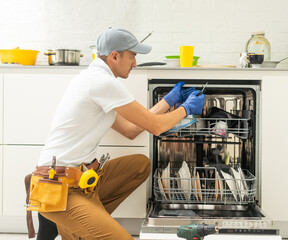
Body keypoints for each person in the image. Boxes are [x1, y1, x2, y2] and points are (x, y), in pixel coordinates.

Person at [25, 27, 205, 240]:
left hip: (82, 181)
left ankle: (80, 227)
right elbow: (156, 127)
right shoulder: (102, 82)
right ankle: (78, 227)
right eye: (133, 56)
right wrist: (186, 109)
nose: (135, 64)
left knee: (140, 165)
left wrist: (168, 101)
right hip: (60, 188)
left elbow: (130, 129)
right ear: (114, 56)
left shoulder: (93, 79)